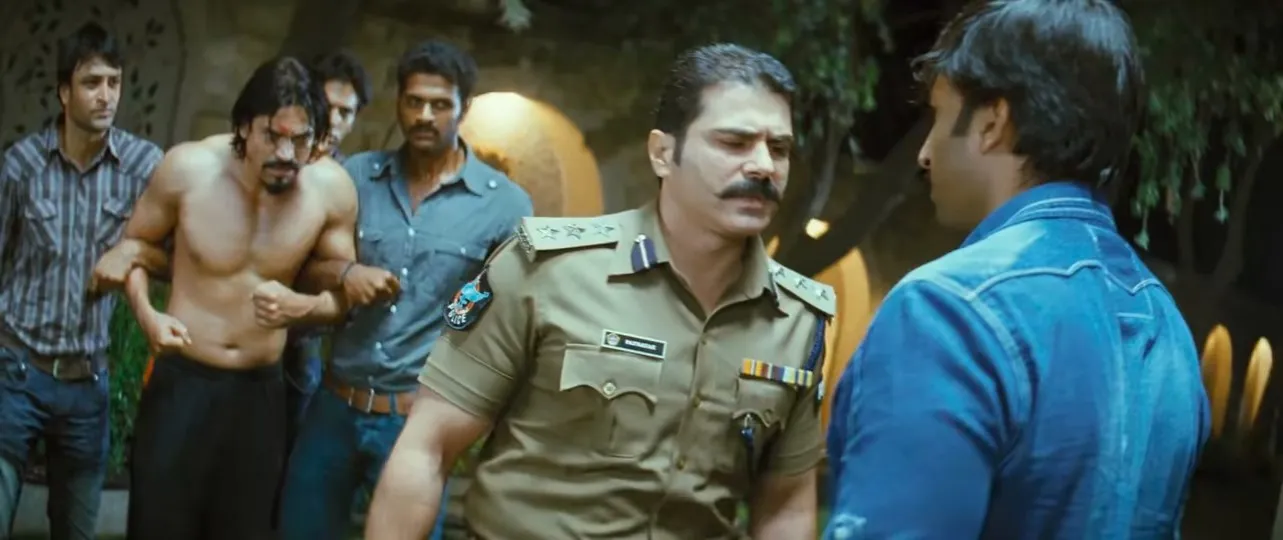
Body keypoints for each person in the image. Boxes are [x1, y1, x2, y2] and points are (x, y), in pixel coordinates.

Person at [365, 43, 831, 540]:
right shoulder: (547, 269)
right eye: (735, 143)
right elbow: (428, 447)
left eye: (779, 148)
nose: (763, 165)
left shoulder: (797, 320)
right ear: (663, 154)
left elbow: (785, 504)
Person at [823, 1, 1209, 539]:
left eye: (939, 116)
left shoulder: (948, 309)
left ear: (992, 122)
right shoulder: (1170, 333)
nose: (925, 153)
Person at [94, 56, 359, 540]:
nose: (286, 153)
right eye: (272, 136)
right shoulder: (188, 168)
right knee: (158, 526)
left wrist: (305, 307)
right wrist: (148, 316)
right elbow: (133, 249)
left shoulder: (332, 190)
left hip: (260, 392)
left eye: (301, 140)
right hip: (183, 380)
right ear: (243, 126)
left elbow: (344, 296)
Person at [279, 39, 533, 540]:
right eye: (414, 102)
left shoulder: (505, 205)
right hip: (333, 406)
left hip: (417, 420)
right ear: (399, 102)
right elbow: (303, 267)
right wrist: (346, 274)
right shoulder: (356, 177)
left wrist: (457, 316)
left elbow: (506, 308)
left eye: (440, 104)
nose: (424, 116)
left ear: (464, 108)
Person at [0, 22, 164, 540]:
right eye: (92, 83)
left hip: (87, 383)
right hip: (16, 371)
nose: (106, 96)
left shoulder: (144, 166)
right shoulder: (21, 166)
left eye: (114, 82)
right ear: (63, 92)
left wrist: (133, 251)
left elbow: (176, 256)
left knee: (77, 530)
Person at [280, 49, 375, 454]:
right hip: (239, 324)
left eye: (345, 112)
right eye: (327, 105)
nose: (334, 120)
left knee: (288, 454)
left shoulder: (352, 180)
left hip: (304, 337)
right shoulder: (276, 154)